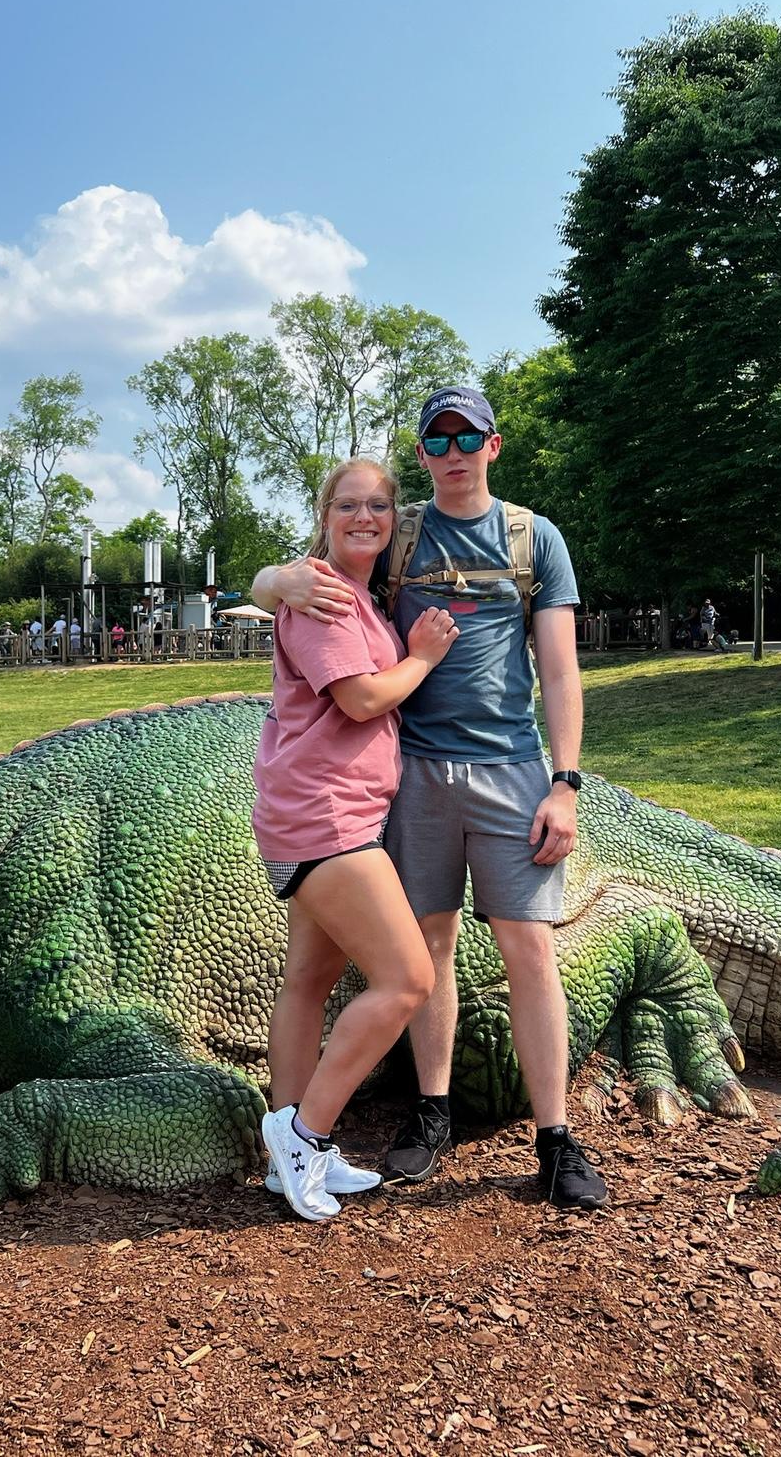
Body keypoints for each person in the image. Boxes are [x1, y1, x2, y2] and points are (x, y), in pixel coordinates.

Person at [254, 386, 607, 1210]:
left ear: (493, 443)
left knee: (530, 951)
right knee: (427, 951)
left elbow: (557, 668)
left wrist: (566, 780)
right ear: (423, 452)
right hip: (409, 776)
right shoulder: (398, 529)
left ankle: (554, 1139)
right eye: (437, 438)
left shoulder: (534, 538)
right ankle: (430, 1111)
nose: (453, 451)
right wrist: (275, 576)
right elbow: (306, 579)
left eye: (468, 436)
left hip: (511, 769)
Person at [254, 459, 458, 1222]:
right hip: (323, 818)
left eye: (378, 505)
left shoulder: (352, 596)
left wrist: (269, 579)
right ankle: (305, 1134)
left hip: (321, 811)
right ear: (325, 512)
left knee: (308, 979)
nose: (364, 516)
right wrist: (424, 658)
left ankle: (286, 1163)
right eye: (348, 505)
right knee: (408, 979)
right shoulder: (323, 594)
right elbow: (362, 697)